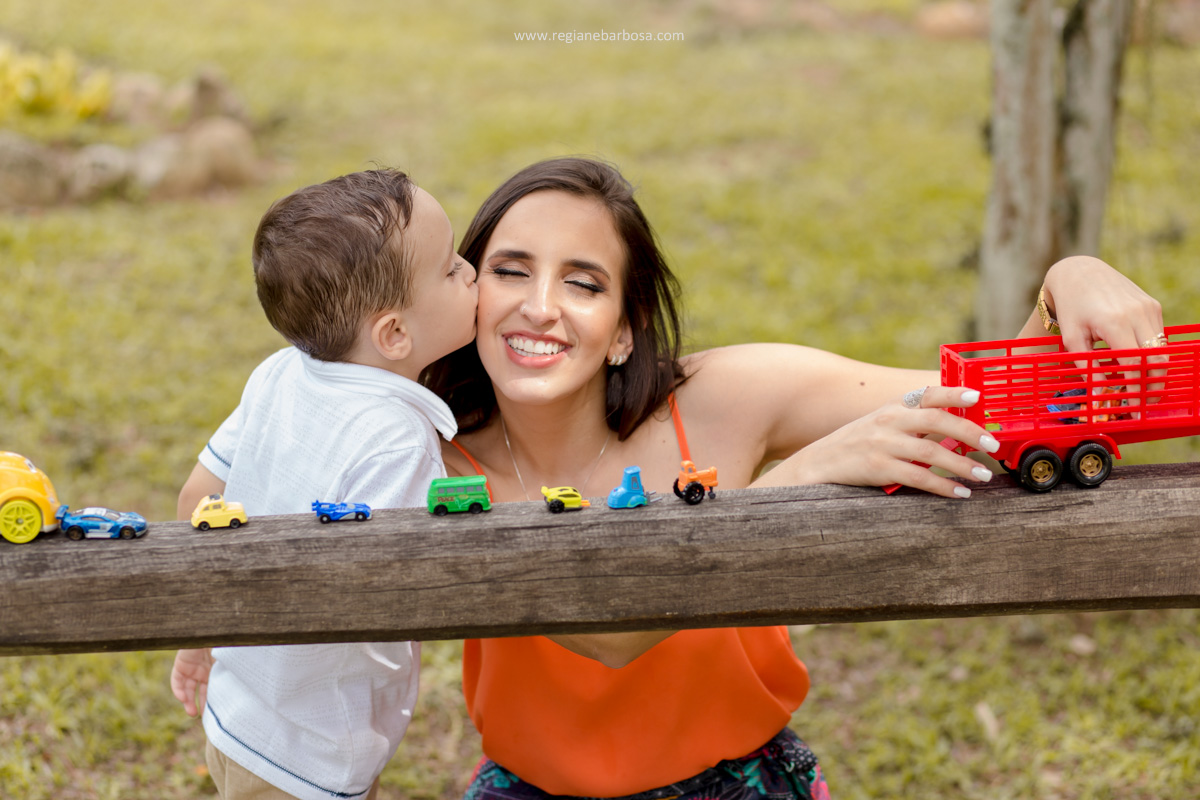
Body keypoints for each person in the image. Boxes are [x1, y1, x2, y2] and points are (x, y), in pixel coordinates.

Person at [421, 157, 1164, 800]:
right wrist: (796, 482)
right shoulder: (430, 457)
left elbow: (982, 409)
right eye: (511, 270)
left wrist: (1070, 279)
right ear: (469, 291)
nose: (540, 306)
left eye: (583, 283)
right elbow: (612, 629)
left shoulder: (719, 399)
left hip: (739, 783)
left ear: (623, 329)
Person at [169, 168, 479, 800]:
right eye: (451, 269)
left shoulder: (280, 372)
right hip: (312, 752)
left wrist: (201, 633)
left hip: (235, 714)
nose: (473, 270)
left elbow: (196, 497)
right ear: (394, 334)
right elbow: (381, 587)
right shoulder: (396, 435)